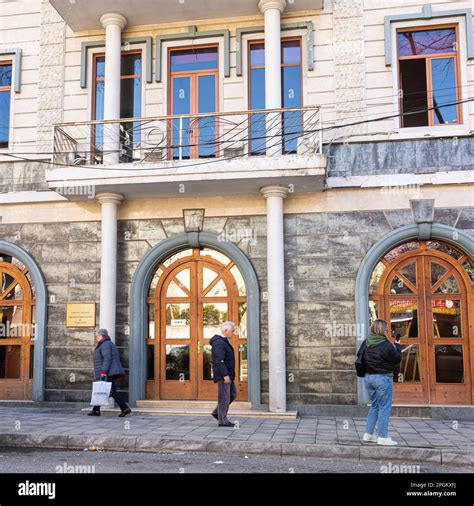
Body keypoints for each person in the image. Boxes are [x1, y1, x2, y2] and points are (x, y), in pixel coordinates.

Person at [361, 319, 401, 446]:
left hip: (368, 379)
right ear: (383, 330)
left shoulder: (365, 343)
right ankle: (383, 436)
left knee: (374, 406)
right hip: (383, 379)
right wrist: (398, 346)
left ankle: (368, 434)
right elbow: (396, 359)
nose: (387, 331)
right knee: (384, 407)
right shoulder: (386, 345)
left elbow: (359, 357)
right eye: (387, 329)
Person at [88, 328, 132, 417]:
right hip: (109, 371)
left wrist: (104, 371)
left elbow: (107, 358)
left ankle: (124, 408)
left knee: (109, 391)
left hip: (108, 372)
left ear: (101, 336)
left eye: (97, 336)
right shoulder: (106, 343)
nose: (96, 338)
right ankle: (96, 410)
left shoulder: (105, 344)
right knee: (106, 390)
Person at [210, 321, 237, 427]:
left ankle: (217, 413)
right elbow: (219, 360)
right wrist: (225, 375)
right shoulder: (219, 343)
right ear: (226, 331)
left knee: (232, 394)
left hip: (228, 374)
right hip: (223, 375)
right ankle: (223, 420)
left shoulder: (224, 341)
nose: (233, 333)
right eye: (232, 331)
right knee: (224, 397)